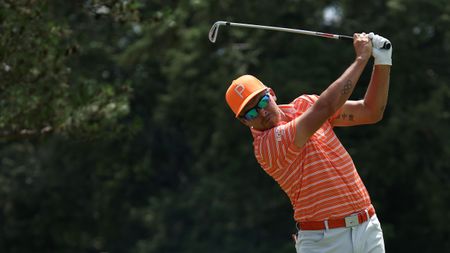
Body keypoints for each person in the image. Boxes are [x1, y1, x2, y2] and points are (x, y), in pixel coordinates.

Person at [225, 32, 392, 253]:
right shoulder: (267, 147)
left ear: (272, 94)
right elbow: (325, 108)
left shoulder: (304, 105)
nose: (262, 112)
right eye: (250, 113)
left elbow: (370, 111)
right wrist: (361, 59)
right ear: (243, 122)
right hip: (325, 241)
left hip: (367, 227)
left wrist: (382, 60)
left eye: (262, 101)